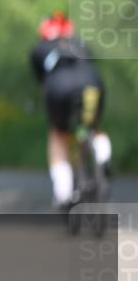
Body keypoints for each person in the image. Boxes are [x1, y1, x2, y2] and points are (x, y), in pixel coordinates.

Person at [29, 11, 112, 212]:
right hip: (92, 85)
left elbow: (42, 85)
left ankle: (63, 192)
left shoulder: (39, 49)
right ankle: (103, 155)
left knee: (58, 136)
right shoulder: (82, 43)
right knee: (93, 126)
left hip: (59, 89)